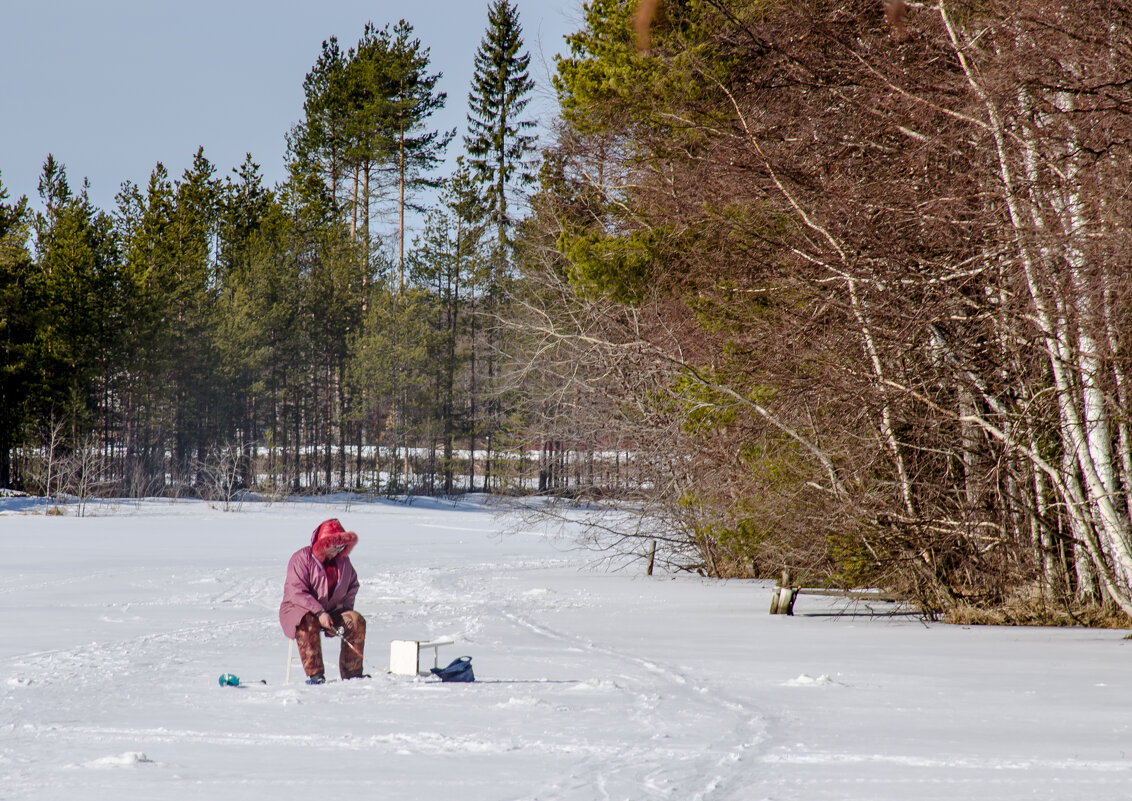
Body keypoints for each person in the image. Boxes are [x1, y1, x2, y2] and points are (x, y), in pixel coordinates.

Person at [279, 518, 367, 684]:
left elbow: (353, 584)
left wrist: (345, 606)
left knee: (355, 621)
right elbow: (295, 592)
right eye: (335, 546)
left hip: (331, 612)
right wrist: (319, 612)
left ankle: (353, 675)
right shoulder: (301, 558)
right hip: (299, 610)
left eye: (341, 546)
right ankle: (315, 674)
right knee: (307, 620)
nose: (338, 551)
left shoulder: (343, 562)